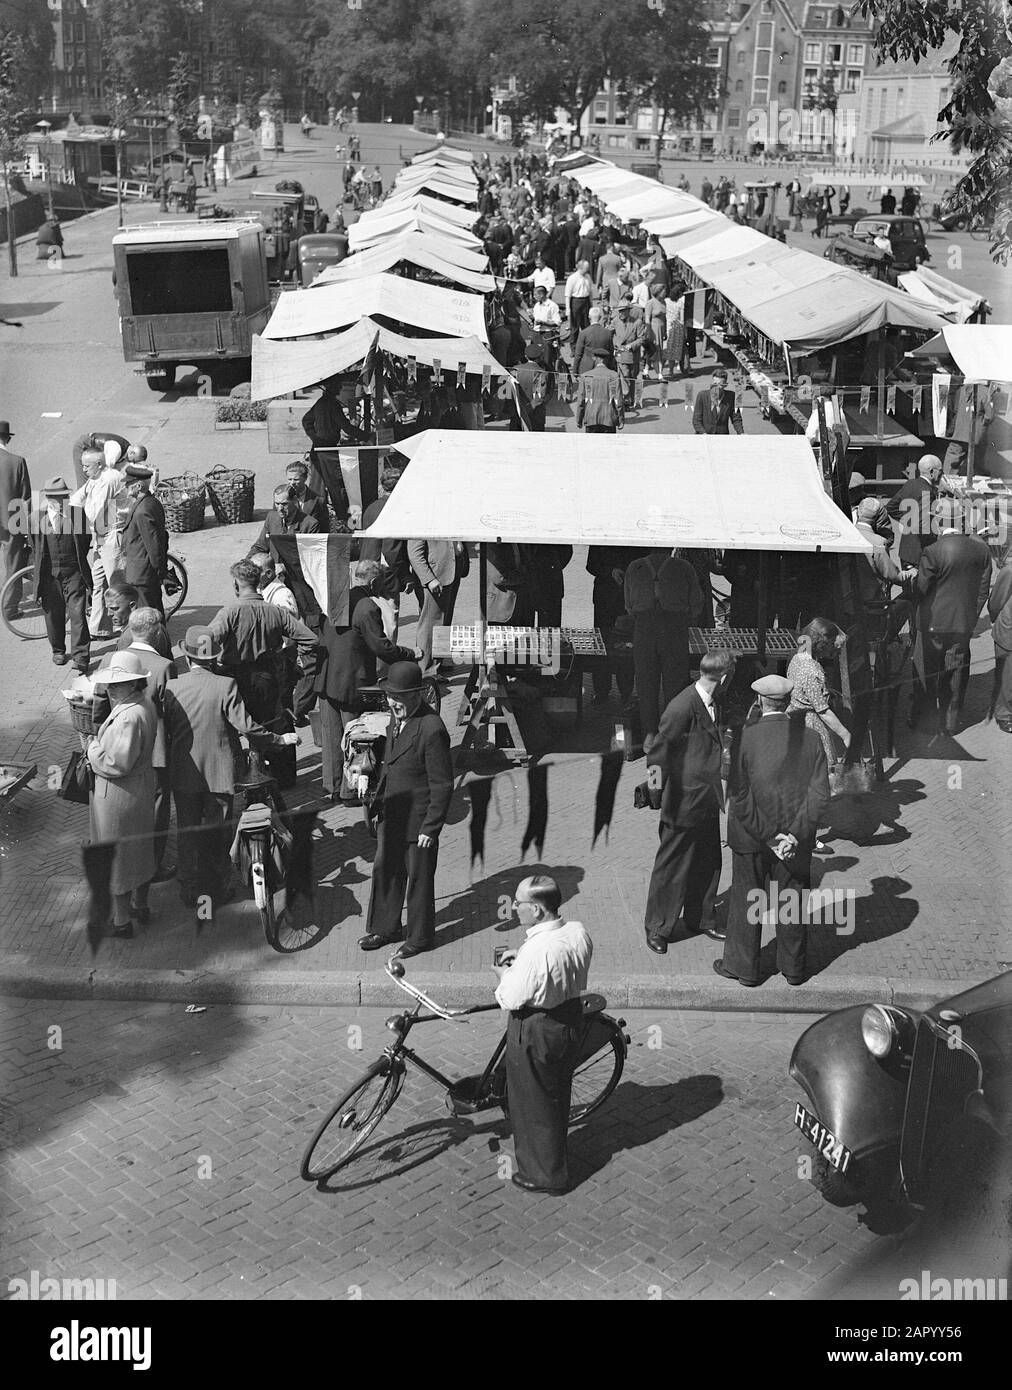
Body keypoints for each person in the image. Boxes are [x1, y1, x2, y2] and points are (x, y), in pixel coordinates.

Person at [163, 626, 290, 918]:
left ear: (186, 655)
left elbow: (167, 731)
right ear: (214, 659)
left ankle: (188, 886)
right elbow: (245, 726)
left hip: (184, 772)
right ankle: (216, 887)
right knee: (218, 830)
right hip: (221, 772)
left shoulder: (172, 688)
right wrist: (277, 739)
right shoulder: (226, 685)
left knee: (187, 829)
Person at [715, 675, 830, 987]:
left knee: (747, 898)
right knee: (791, 900)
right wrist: (792, 834)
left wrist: (769, 835)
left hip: (752, 837)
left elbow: (739, 796)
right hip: (796, 841)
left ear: (760, 701)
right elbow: (819, 795)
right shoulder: (811, 740)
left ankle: (745, 968)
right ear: (788, 703)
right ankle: (793, 968)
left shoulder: (743, 738)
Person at [492, 875, 593, 1195]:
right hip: (570, 1019)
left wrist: (503, 974)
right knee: (556, 1091)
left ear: (536, 909)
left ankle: (545, 1175)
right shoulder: (577, 931)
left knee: (532, 1103)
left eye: (518, 903)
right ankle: (553, 1157)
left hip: (535, 1029)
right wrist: (521, 961)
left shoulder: (536, 951)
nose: (514, 907)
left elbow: (510, 998)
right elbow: (558, 968)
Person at [357, 661, 454, 958]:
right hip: (392, 813)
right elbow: (390, 761)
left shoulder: (432, 728)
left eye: (399, 699)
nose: (393, 703)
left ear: (417, 696)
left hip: (418, 821)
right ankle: (385, 928)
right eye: (390, 697)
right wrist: (372, 786)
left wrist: (431, 827)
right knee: (386, 870)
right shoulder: (394, 719)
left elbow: (443, 784)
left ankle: (420, 937)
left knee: (419, 879)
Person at [644, 649, 737, 953]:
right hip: (681, 804)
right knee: (671, 867)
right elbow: (657, 755)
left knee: (708, 862)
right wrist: (656, 796)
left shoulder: (714, 702)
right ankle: (658, 927)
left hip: (707, 800)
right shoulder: (682, 707)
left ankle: (702, 917)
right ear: (723, 677)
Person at [315, 561, 418, 801]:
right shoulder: (367, 607)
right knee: (357, 735)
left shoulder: (337, 600)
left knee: (332, 736)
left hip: (328, 677)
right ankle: (351, 789)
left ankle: (332, 787)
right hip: (352, 681)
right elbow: (381, 647)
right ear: (373, 582)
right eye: (381, 582)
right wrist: (410, 653)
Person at [85, 651, 159, 938]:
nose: (112, 689)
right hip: (139, 789)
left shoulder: (128, 716)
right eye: (111, 684)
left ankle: (121, 921)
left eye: (120, 683)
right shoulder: (145, 705)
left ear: (135, 683)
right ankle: (141, 906)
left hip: (117, 796)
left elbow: (117, 763)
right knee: (139, 851)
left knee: (116, 859)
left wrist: (92, 748)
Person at [913, 500, 992, 734]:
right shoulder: (980, 549)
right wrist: (970, 615)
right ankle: (950, 723)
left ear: (940, 522)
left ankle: (927, 721)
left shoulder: (933, 551)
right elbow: (983, 590)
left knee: (928, 670)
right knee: (956, 669)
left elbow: (921, 589)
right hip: (963, 623)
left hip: (932, 624)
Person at [625, 548, 703, 744]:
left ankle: (649, 737)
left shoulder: (634, 566)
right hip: (674, 628)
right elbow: (696, 602)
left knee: (645, 686)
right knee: (675, 685)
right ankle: (672, 737)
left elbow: (628, 604)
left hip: (644, 628)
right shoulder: (683, 567)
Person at [31, 475, 91, 672]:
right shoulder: (35, 518)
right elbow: (35, 546)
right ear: (47, 498)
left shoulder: (78, 514)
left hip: (73, 571)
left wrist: (75, 561)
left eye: (63, 497)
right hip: (49, 574)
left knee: (78, 614)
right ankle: (58, 650)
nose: (59, 502)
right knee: (53, 614)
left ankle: (81, 656)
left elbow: (85, 541)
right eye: (55, 498)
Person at [69, 445, 126, 637]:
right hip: (101, 535)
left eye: (87, 466)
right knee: (98, 583)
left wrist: (73, 522)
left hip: (111, 536)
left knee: (116, 584)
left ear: (99, 464)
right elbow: (78, 497)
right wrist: (63, 510)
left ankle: (125, 626)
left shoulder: (108, 480)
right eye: (83, 466)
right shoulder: (95, 479)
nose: (83, 470)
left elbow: (96, 513)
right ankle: (99, 628)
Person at [787, 617, 851, 764]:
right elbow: (823, 711)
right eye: (831, 645)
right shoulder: (812, 669)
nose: (834, 649)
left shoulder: (797, 658)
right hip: (811, 725)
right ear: (822, 643)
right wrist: (845, 735)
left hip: (794, 721)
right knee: (822, 770)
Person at [408, 536, 469, 672]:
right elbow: (414, 554)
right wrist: (429, 579)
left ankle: (438, 663)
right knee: (430, 626)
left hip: (452, 573)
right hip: (434, 578)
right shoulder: (424, 517)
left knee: (444, 622)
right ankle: (426, 669)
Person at [119, 463, 168, 614]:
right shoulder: (151, 503)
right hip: (144, 574)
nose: (126, 486)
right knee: (153, 612)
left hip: (142, 575)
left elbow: (153, 545)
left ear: (138, 486)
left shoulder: (142, 511)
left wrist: (160, 572)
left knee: (147, 616)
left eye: (129, 483)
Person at [885, 453, 943, 568]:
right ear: (932, 472)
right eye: (940, 471)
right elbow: (924, 527)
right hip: (919, 554)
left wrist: (907, 520)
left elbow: (891, 507)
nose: (941, 475)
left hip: (906, 549)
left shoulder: (910, 483)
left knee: (907, 584)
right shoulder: (927, 491)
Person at [0, 419, 30, 622]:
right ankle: (9, 609)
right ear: (7, 439)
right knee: (13, 564)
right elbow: (25, 498)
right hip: (10, 521)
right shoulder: (17, 461)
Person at [988, 551, 1012, 733]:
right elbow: (996, 601)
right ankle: (1004, 715)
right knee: (1007, 677)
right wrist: (996, 619)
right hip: (1009, 632)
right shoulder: (1010, 571)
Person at [576, 346, 624, 433]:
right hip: (609, 418)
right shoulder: (614, 375)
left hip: (591, 418)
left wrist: (579, 419)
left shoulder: (585, 376)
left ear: (595, 358)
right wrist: (621, 420)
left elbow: (581, 400)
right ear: (606, 359)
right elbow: (618, 401)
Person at [692, 367, 743, 435]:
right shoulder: (702, 395)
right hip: (704, 435)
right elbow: (696, 420)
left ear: (725, 385)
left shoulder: (732, 396)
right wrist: (703, 433)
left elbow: (736, 419)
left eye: (720, 384)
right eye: (714, 383)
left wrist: (741, 433)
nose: (716, 387)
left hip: (722, 436)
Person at [284, 459, 331, 532]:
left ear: (305, 478)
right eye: (289, 479)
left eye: (296, 479)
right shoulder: (281, 497)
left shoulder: (318, 500)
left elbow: (324, 528)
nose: (292, 483)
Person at [571, 306, 614, 375]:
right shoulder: (607, 333)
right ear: (600, 317)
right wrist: (612, 368)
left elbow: (578, 354)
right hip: (603, 367)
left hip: (586, 368)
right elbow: (611, 352)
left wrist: (575, 371)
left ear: (589, 317)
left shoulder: (584, 333)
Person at [564, 259, 594, 351]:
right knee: (575, 326)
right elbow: (567, 295)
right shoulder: (572, 278)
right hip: (576, 301)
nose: (587, 270)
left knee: (586, 325)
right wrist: (568, 309)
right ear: (580, 268)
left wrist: (591, 304)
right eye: (586, 268)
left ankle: (588, 346)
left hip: (586, 301)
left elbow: (590, 291)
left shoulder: (588, 277)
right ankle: (574, 348)